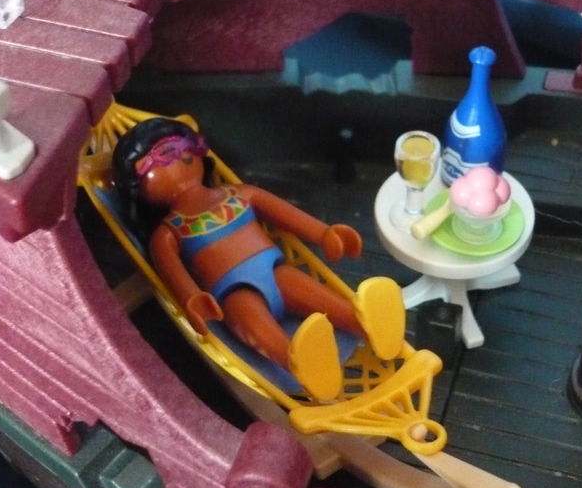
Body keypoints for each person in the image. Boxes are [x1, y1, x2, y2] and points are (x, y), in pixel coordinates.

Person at [112, 117, 404, 400]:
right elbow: (173, 273)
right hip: (233, 291)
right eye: (162, 157)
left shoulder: (240, 194)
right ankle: (300, 363)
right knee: (255, 323)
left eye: (184, 148)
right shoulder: (167, 233)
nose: (178, 159)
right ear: (137, 186)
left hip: (275, 270)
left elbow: (284, 213)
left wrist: (325, 234)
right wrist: (193, 300)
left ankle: (366, 323)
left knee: (315, 294)